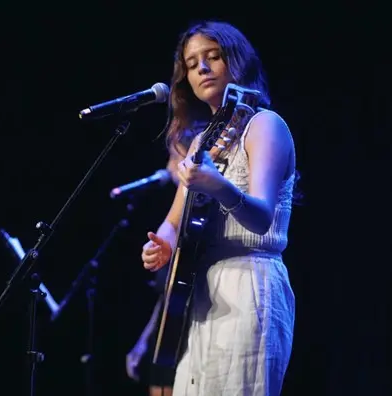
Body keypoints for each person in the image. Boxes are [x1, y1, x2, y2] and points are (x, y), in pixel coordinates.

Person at [141, 20, 296, 395]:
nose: (203, 69)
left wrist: (220, 186)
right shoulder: (199, 145)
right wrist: (161, 244)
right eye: (193, 64)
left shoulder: (266, 126)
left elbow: (260, 217)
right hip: (201, 294)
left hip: (250, 285)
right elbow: (173, 223)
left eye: (213, 57)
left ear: (237, 63)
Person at [126, 143, 188, 396]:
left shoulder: (195, 224)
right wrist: (143, 342)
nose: (168, 166)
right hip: (165, 341)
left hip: (186, 340)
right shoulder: (171, 228)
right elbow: (167, 299)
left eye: (174, 157)